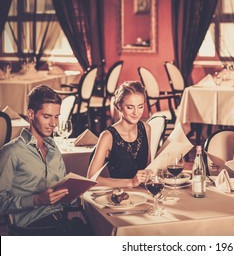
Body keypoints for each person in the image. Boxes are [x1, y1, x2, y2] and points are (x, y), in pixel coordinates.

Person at [0, 85, 90, 235]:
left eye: (56, 117)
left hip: (59, 219)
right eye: (47, 116)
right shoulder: (12, 152)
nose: (53, 124)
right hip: (31, 228)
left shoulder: (53, 148)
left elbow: (62, 191)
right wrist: (36, 200)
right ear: (31, 114)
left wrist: (77, 192)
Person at [87, 81, 151, 187]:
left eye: (140, 106)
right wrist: (130, 182)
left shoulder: (146, 128)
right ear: (118, 106)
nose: (136, 112)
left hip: (143, 193)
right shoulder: (107, 136)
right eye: (130, 107)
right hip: (118, 196)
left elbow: (148, 167)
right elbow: (91, 178)